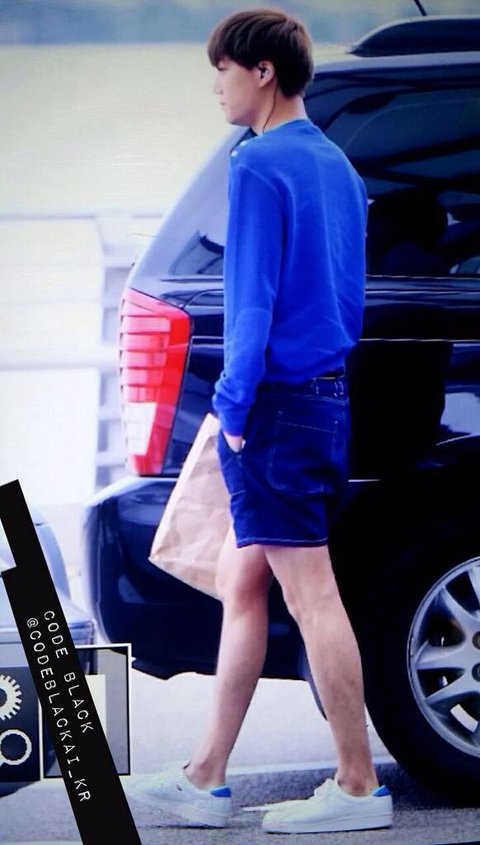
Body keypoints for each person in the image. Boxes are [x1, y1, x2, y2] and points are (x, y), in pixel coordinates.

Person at [139, 8, 393, 834]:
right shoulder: (338, 167)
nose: (216, 86)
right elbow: (344, 297)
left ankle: (357, 786)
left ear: (263, 73)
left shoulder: (256, 164)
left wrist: (234, 408)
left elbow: (250, 303)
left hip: (276, 408)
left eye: (223, 69)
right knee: (245, 585)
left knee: (313, 596)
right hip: (324, 398)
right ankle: (206, 775)